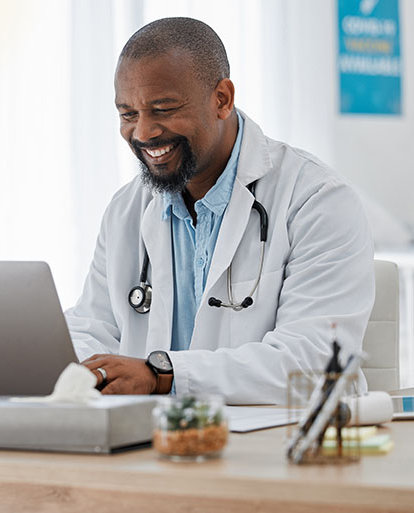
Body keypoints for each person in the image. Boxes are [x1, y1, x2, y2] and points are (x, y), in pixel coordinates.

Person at [65, 17, 374, 405]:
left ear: (222, 99)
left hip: (278, 447)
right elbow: (93, 326)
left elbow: (315, 362)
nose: (143, 132)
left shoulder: (316, 200)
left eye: (162, 109)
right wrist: (70, 366)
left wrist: (162, 375)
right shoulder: (128, 208)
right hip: (155, 444)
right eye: (128, 114)